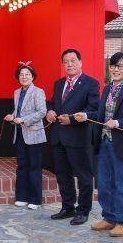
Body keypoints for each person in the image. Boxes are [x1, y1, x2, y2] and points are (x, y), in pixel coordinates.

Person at [73, 52, 123, 237]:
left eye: (120, 66)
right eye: (113, 66)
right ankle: (109, 217)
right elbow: (101, 114)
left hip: (122, 143)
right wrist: (86, 115)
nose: (116, 69)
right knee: (104, 182)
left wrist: (119, 122)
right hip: (104, 141)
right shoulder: (107, 89)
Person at [45, 48, 99, 225]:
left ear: (80, 62)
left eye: (73, 61)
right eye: (66, 61)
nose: (69, 64)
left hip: (79, 137)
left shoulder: (91, 83)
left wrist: (73, 120)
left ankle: (83, 211)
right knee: (63, 175)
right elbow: (53, 103)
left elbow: (94, 110)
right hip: (59, 137)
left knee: (84, 177)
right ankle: (68, 207)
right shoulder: (59, 83)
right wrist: (50, 111)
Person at [4, 61, 47, 210]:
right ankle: (21, 197)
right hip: (20, 133)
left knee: (34, 166)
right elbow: (18, 111)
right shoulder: (17, 92)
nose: (24, 77)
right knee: (21, 166)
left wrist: (23, 119)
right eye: (21, 75)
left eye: (27, 74)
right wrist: (12, 116)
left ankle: (35, 199)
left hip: (34, 133)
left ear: (33, 76)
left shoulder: (38, 91)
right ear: (18, 77)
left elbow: (42, 112)